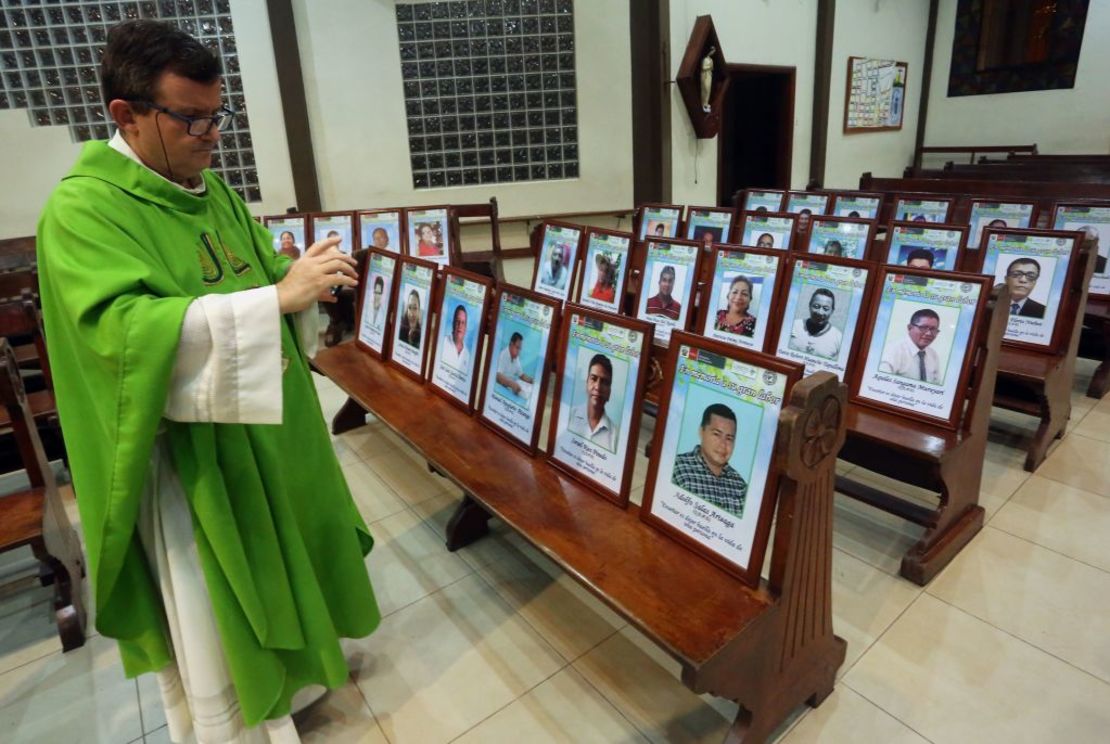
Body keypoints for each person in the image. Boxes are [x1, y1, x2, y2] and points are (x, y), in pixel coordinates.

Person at [36, 20, 379, 743]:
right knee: (218, 603)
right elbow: (122, 333)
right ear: (124, 115)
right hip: (188, 458)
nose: (210, 133)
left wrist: (294, 280)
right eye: (190, 117)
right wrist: (273, 301)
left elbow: (259, 276)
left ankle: (301, 679)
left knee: (290, 556)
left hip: (263, 429)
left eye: (217, 114)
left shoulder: (209, 189)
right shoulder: (83, 210)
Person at [671, 403, 748, 518]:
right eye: (717, 434)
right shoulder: (677, 468)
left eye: (729, 438)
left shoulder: (741, 487)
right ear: (701, 432)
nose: (723, 445)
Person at [879, 307, 943, 383]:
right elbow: (881, 383)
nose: (929, 333)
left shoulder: (933, 355)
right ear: (909, 328)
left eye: (933, 329)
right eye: (923, 328)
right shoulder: (892, 350)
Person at [567, 353, 616, 450]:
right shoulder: (569, 415)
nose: (597, 387)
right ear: (586, 383)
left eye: (604, 382)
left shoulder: (615, 435)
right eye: (593, 379)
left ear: (609, 392)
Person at [789, 288, 842, 359]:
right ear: (809, 305)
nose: (820, 312)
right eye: (816, 306)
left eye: (825, 308)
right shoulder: (792, 326)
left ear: (832, 311)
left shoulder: (838, 338)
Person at [495, 331, 534, 397]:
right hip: (500, 390)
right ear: (511, 344)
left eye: (520, 349)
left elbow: (521, 375)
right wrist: (512, 384)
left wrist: (532, 381)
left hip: (511, 389)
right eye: (517, 348)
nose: (519, 352)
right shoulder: (503, 355)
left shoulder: (516, 357)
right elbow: (498, 376)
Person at [440, 303, 470, 369]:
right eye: (457, 321)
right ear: (453, 323)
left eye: (463, 322)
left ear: (466, 327)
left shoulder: (467, 355)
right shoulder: (442, 343)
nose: (460, 325)